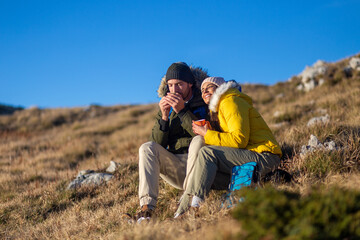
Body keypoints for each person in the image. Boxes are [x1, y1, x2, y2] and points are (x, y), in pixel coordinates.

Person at [174, 77, 282, 217]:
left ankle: (195, 207)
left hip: (265, 156)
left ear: (220, 88)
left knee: (207, 153)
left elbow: (239, 140)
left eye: (209, 87)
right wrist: (211, 131)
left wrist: (208, 134)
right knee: (201, 173)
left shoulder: (230, 101)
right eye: (202, 89)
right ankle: (180, 214)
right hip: (247, 159)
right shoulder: (219, 110)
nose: (204, 90)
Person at [135, 62, 208, 222]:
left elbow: (207, 136)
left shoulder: (205, 101)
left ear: (190, 83)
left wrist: (182, 111)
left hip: (202, 166)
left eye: (179, 85)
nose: (174, 90)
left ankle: (188, 203)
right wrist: (164, 117)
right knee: (147, 148)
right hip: (177, 166)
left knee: (198, 141)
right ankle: (146, 210)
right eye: (170, 85)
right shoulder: (166, 105)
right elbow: (156, 146)